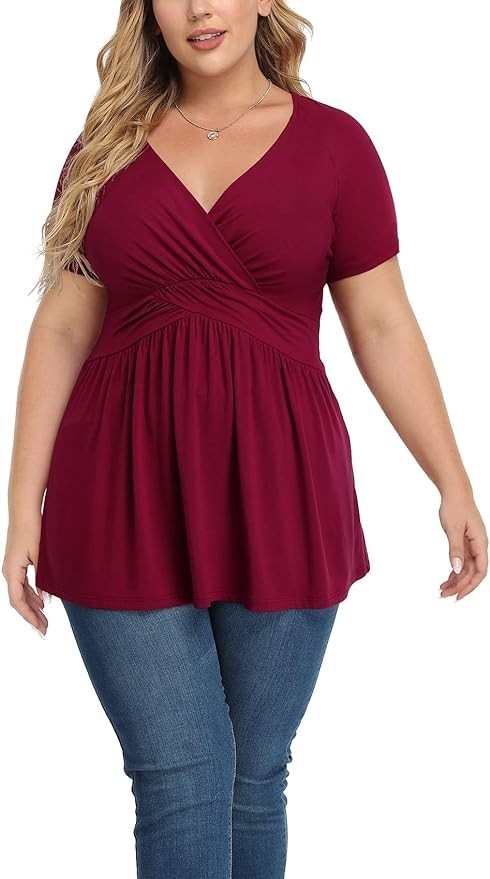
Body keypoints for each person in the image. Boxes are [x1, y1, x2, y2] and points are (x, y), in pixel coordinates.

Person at [3, 1, 488, 877]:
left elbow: (382, 324)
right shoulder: (103, 146)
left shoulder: (337, 146)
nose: (200, 7)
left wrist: (450, 479)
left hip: (282, 489)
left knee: (254, 780)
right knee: (183, 776)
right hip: (119, 491)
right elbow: (65, 325)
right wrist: (21, 505)